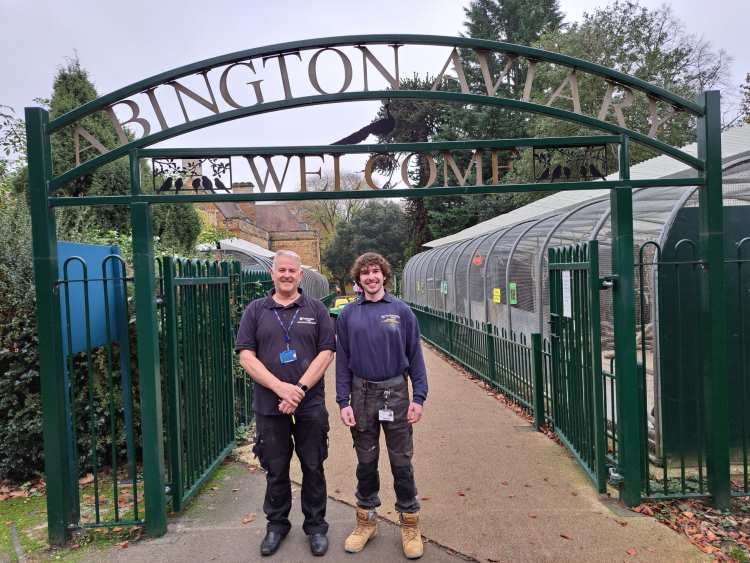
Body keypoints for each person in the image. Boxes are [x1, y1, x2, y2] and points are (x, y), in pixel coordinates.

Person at [235, 250, 335, 557]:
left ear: (300, 275)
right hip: (270, 404)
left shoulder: (316, 309)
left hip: (309, 404)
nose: (287, 275)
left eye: (293, 270)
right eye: (282, 270)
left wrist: (299, 390)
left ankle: (316, 526)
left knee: (313, 465)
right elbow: (245, 355)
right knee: (275, 468)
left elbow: (326, 352)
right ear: (273, 273)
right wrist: (280, 388)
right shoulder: (256, 310)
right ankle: (276, 525)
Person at [335, 252, 428, 559]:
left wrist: (419, 397)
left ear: (384, 276)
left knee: (401, 460)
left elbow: (415, 355)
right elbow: (342, 362)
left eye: (376, 272)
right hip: (361, 394)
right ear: (358, 279)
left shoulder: (401, 311)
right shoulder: (349, 314)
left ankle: (410, 522)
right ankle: (366, 522)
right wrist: (343, 401)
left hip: (396, 392)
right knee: (365, 461)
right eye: (365, 273)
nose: (371, 277)